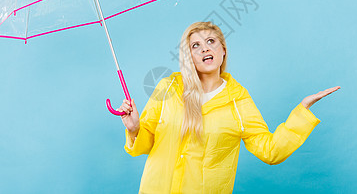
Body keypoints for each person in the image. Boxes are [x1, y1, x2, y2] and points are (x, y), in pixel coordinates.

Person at [117, 21, 340, 193]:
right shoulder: (167, 88)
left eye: (211, 42)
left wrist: (302, 111)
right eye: (196, 45)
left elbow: (270, 150)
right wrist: (135, 128)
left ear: (223, 50)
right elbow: (146, 144)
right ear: (189, 57)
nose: (205, 49)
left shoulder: (238, 100)